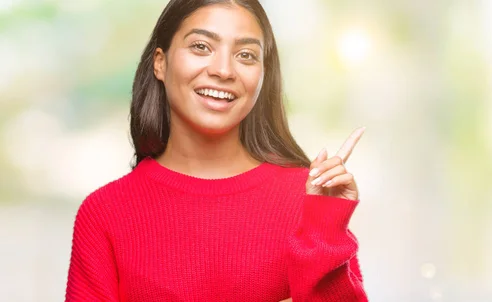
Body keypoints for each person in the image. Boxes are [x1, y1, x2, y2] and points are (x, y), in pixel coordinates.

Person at [65, 0, 368, 301]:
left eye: (246, 55)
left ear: (262, 76)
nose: (223, 70)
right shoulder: (105, 213)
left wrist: (325, 224)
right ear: (160, 62)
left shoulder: (308, 199)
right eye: (200, 47)